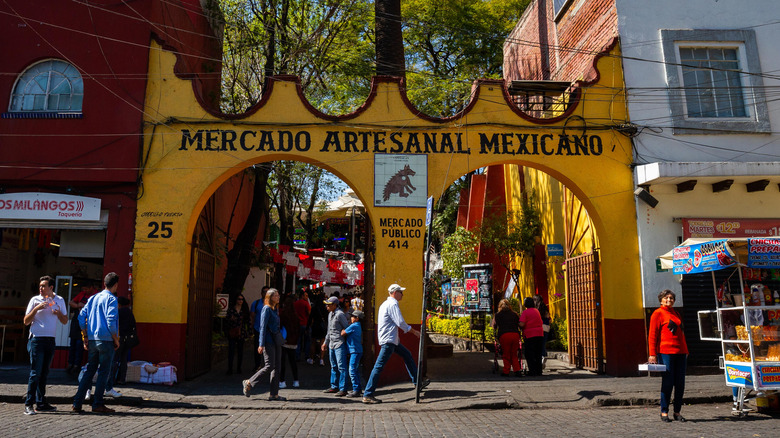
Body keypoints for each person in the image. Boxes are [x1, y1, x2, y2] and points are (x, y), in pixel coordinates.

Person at [362, 284, 428, 404]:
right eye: (401, 292)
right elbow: (400, 322)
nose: (402, 294)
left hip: (392, 340)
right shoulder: (392, 304)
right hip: (389, 341)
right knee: (378, 366)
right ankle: (368, 394)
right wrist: (414, 332)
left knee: (407, 355)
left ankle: (417, 382)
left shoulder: (385, 304)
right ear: (395, 292)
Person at [72, 272, 121, 414]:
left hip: (93, 339)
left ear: (104, 283)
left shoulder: (93, 298)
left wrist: (85, 335)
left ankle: (77, 402)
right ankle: (98, 403)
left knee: (89, 371)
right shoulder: (112, 299)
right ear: (116, 285)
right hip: (106, 340)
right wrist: (116, 339)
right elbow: (111, 322)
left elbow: (81, 317)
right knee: (104, 372)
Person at [22, 275, 68, 415]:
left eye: (43, 286)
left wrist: (58, 312)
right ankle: (28, 404)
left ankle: (41, 402)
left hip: (50, 340)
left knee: (44, 373)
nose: (41, 288)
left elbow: (65, 320)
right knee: (35, 372)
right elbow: (26, 321)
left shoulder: (59, 300)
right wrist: (36, 309)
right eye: (40, 286)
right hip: (37, 340)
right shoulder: (35, 300)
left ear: (51, 287)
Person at [648, 289, 689, 423]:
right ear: (661, 299)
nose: (669, 300)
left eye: (671, 298)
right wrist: (652, 354)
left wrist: (685, 350)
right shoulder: (657, 314)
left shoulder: (676, 313)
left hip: (680, 352)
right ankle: (664, 411)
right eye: (666, 298)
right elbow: (652, 335)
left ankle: (677, 412)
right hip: (665, 352)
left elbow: (680, 334)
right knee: (668, 382)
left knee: (680, 383)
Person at [242, 288, 285, 401]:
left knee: (277, 367)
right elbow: (262, 327)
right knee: (269, 365)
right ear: (270, 297)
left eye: (278, 294)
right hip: (268, 341)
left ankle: (274, 394)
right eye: (276, 295)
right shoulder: (266, 309)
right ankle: (249, 382)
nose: (278, 296)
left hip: (276, 341)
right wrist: (261, 344)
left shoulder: (275, 309)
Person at [322, 295, 349, 396]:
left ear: (334, 305)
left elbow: (346, 328)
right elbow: (329, 330)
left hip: (339, 343)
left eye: (329, 305)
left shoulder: (340, 314)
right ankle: (334, 386)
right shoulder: (330, 314)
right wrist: (325, 342)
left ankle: (343, 388)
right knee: (333, 366)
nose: (327, 307)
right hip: (332, 344)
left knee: (341, 367)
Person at [66, 285, 97, 375]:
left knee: (80, 344)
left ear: (92, 288)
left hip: (87, 322)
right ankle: (70, 364)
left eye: (86, 288)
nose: (85, 290)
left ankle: (77, 365)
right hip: (76, 321)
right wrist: (77, 305)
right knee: (73, 344)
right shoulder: (82, 294)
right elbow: (71, 302)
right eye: (84, 289)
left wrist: (83, 306)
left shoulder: (96, 295)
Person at [492, 299, 522, 377]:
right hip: (515, 335)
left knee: (506, 354)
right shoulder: (515, 314)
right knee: (514, 353)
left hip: (504, 335)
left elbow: (494, 326)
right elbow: (519, 324)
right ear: (509, 306)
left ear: (499, 307)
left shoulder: (497, 315)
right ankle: (517, 370)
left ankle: (506, 371)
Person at [519, 297, 544, 376]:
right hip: (539, 334)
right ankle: (539, 371)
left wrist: (517, 323)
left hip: (530, 335)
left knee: (530, 354)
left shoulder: (525, 312)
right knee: (538, 353)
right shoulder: (536, 311)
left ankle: (532, 371)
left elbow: (522, 324)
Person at [279, 295, 301, 389]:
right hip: (293, 342)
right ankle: (296, 380)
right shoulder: (295, 316)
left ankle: (282, 381)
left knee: (282, 362)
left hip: (284, 340)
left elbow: (280, 326)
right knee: (293, 362)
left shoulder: (283, 314)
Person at [341, 309, 364, 397]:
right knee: (355, 370)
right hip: (356, 350)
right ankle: (358, 388)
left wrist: (343, 329)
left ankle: (356, 390)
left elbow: (343, 333)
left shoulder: (354, 326)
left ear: (357, 318)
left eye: (352, 317)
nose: (351, 318)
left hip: (355, 351)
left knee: (352, 370)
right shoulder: (358, 325)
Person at [226, 294, 250, 375]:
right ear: (236, 300)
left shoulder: (244, 311)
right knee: (231, 351)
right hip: (232, 332)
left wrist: (249, 331)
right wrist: (231, 319)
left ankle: (239, 368)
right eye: (239, 299)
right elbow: (227, 319)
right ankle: (230, 368)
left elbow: (248, 321)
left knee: (240, 351)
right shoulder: (231, 310)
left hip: (241, 332)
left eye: (242, 299)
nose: (240, 301)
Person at [250, 286, 270, 370]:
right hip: (258, 329)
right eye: (264, 292)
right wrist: (252, 326)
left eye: (267, 292)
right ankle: (257, 364)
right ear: (261, 293)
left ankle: (268, 365)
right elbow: (252, 316)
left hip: (268, 330)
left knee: (268, 348)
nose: (265, 293)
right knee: (257, 348)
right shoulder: (256, 303)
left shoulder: (272, 304)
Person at [309, 290, 328, 366]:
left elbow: (310, 318)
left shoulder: (314, 307)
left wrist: (308, 327)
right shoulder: (325, 307)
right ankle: (321, 359)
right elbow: (327, 318)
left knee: (313, 343)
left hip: (315, 326)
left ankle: (312, 358)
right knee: (322, 343)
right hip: (322, 326)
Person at [294, 289, 311, 363]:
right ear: (302, 296)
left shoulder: (295, 303)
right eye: (306, 296)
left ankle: (297, 356)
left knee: (298, 341)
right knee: (307, 340)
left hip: (297, 324)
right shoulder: (306, 303)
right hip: (305, 324)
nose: (307, 297)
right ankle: (307, 355)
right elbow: (309, 313)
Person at [533, 293, 551, 362]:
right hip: (546, 328)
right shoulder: (545, 308)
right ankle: (543, 356)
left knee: (537, 344)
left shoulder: (534, 309)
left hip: (537, 328)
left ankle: (539, 358)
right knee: (543, 344)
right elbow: (548, 318)